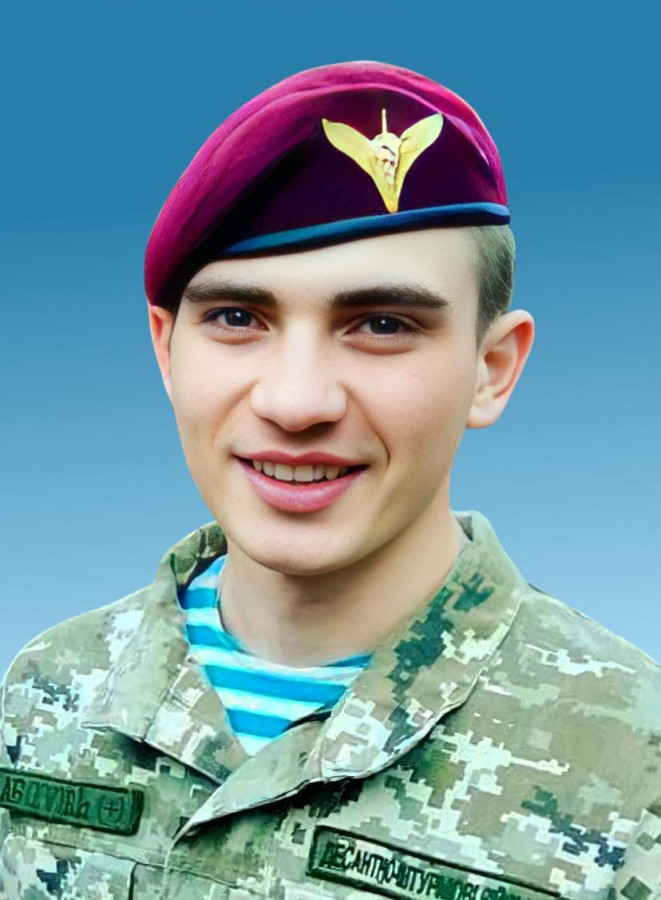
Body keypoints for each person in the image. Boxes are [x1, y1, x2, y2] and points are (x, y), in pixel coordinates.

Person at [1, 61, 659, 900]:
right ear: (166, 349)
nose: (295, 401)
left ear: (491, 370)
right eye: (237, 317)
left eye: (381, 324)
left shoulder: (634, 762)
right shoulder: (47, 690)